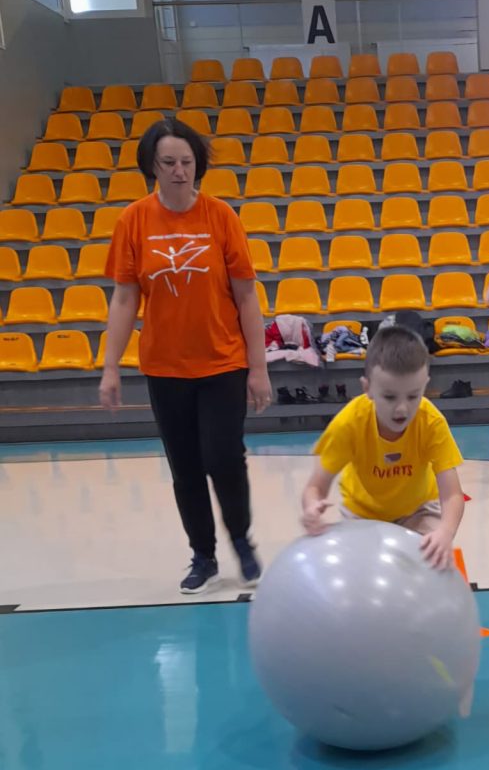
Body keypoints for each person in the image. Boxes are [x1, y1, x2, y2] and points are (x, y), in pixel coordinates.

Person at [100, 118, 273, 594]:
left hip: (223, 362)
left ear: (198, 165)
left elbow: (247, 297)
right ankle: (203, 555)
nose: (179, 171)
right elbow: (124, 299)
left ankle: (241, 540)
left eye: (187, 162)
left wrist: (258, 368)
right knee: (186, 466)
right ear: (152, 167)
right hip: (165, 368)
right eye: (169, 163)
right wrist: (111, 366)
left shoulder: (221, 217)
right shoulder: (133, 220)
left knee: (224, 456)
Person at [300, 326, 464, 569]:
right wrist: (311, 508)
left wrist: (445, 532)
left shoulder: (431, 422)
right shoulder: (350, 423)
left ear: (425, 385)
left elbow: (452, 494)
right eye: (389, 397)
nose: (402, 408)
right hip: (361, 513)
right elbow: (315, 487)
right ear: (367, 388)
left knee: (436, 561)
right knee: (356, 573)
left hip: (417, 511)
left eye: (413, 396)